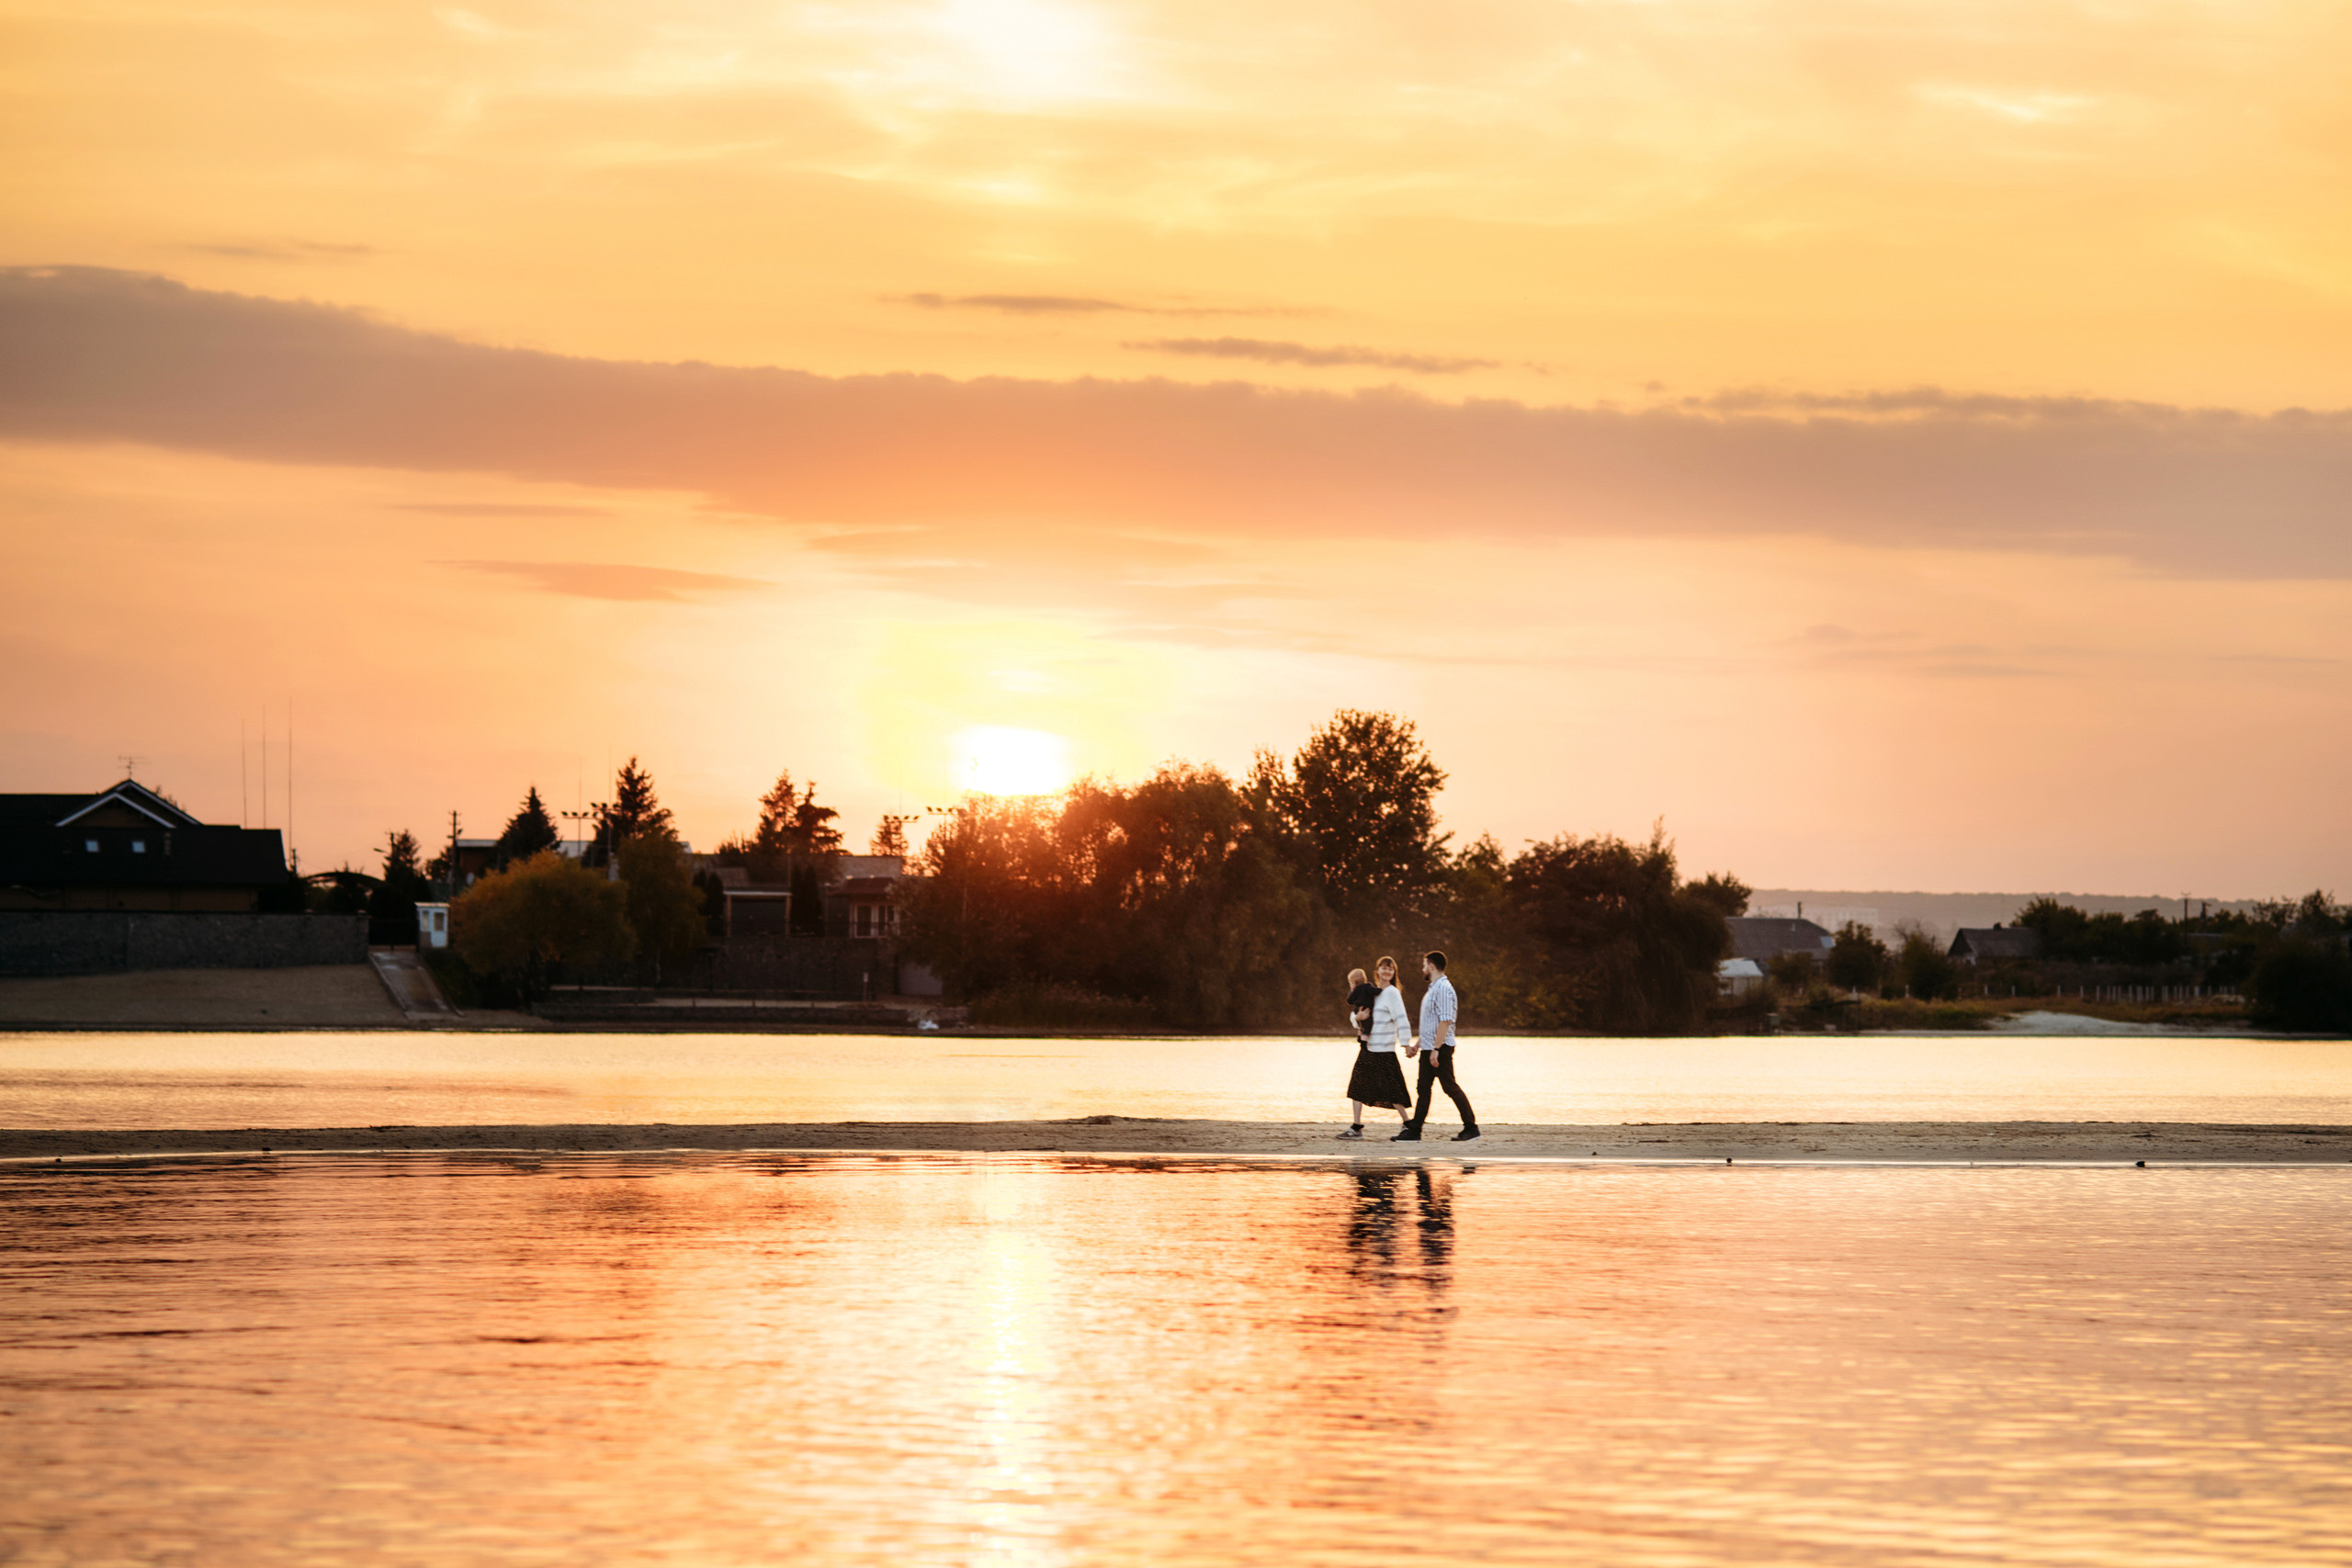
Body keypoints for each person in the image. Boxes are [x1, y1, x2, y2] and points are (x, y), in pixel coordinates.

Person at [1396, 950, 1477, 1142]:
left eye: (1424, 965)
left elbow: (1445, 1021)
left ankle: (1471, 1128)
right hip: (1430, 1047)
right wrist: (1418, 1045)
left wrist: (1436, 1050)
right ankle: (1415, 1131)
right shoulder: (1434, 988)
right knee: (1423, 1089)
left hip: (1440, 1048)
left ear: (1431, 966)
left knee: (1449, 1087)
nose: (1423, 969)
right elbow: (1431, 1024)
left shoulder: (1443, 989)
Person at [1338, 957, 1415, 1139]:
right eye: (1384, 968)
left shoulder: (1392, 993)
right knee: (1357, 1085)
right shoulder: (1371, 991)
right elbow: (1355, 1013)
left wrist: (1405, 1044)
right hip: (1368, 1047)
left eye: (1391, 969)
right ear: (1377, 971)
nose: (1387, 971)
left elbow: (1401, 1019)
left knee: (1393, 1089)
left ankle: (1407, 1124)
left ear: (1394, 973)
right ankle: (1356, 1128)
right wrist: (1358, 1018)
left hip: (1384, 1049)